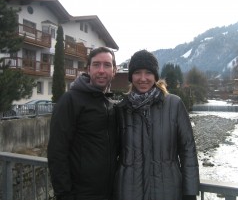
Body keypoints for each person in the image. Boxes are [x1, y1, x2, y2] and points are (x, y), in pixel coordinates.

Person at [114, 50, 200, 200]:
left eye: (148, 72)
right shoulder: (122, 109)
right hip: (128, 192)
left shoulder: (174, 104)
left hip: (167, 191)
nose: (143, 78)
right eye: (137, 73)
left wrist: (190, 192)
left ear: (155, 76)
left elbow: (188, 149)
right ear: (131, 76)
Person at [47, 47, 119, 200]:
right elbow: (57, 152)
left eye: (107, 65)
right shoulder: (70, 100)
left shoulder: (109, 104)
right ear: (88, 69)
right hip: (80, 194)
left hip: (109, 192)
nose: (101, 70)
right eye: (96, 64)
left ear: (114, 71)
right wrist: (64, 194)